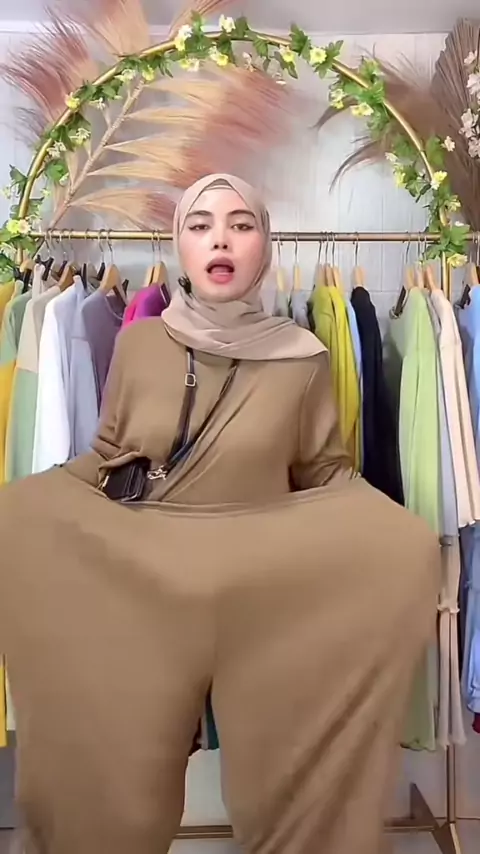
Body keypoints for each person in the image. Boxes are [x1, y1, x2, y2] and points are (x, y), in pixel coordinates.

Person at [0, 174, 440, 854]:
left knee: (282, 789)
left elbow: (325, 473)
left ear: (264, 243)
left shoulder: (304, 357)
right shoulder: (141, 343)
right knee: (120, 795)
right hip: (147, 581)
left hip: (257, 589)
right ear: (180, 243)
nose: (221, 240)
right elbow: (110, 454)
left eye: (241, 224)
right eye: (201, 225)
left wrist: (398, 539)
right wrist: (31, 508)